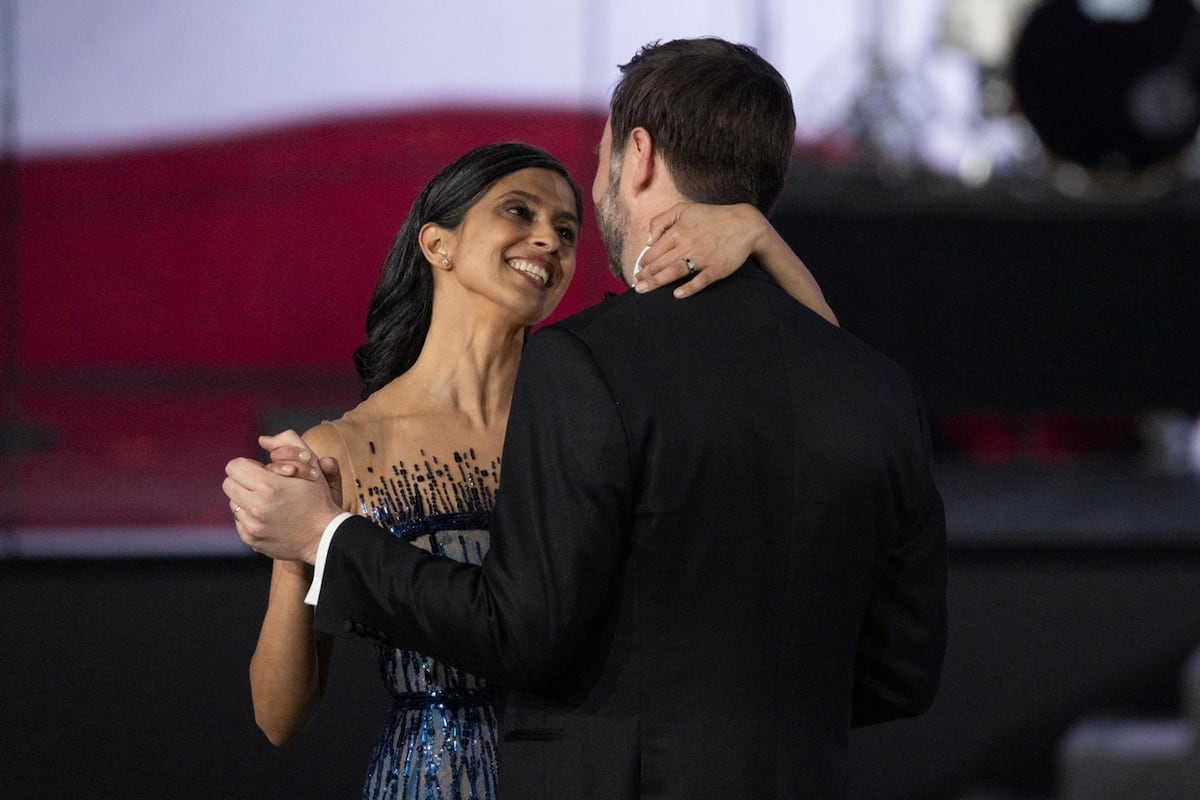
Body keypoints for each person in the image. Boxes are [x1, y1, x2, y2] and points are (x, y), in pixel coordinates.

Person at [228, 37, 946, 799]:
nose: (551, 238)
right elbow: (901, 672)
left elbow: (523, 631)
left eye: (569, 220)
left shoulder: (588, 377)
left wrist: (322, 535)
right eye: (518, 211)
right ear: (435, 242)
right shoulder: (875, 388)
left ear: (637, 157)